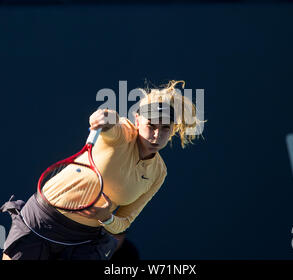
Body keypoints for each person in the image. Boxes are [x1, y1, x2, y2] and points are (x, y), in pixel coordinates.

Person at [1, 80, 203, 260]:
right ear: (138, 119)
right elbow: (110, 120)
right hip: (41, 221)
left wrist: (107, 217)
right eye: (151, 125)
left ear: (173, 129)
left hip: (83, 241)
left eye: (165, 128)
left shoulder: (159, 173)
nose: (157, 136)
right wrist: (102, 117)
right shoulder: (122, 133)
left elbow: (125, 221)